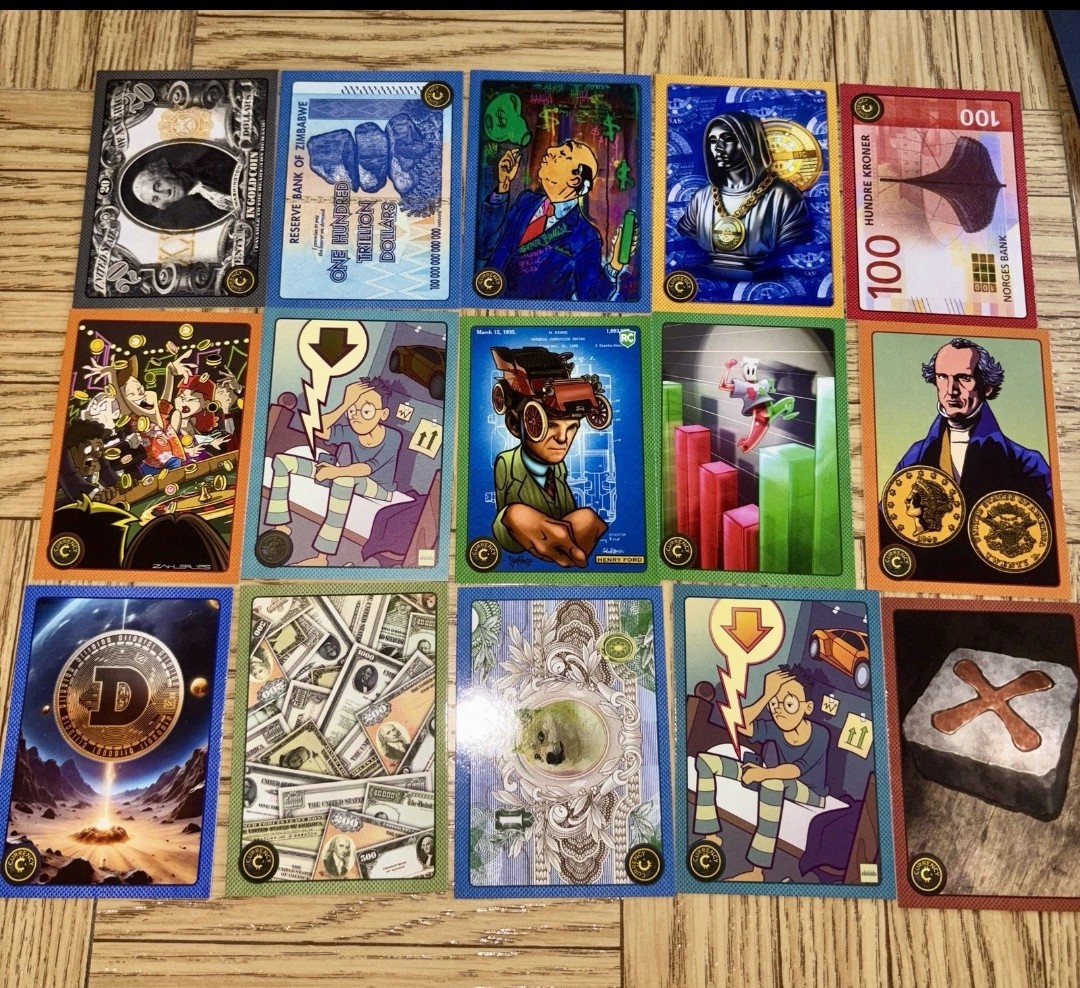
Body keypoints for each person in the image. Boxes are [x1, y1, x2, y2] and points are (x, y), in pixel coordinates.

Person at [881, 337, 1055, 582]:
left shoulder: (1027, 464)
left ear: (987, 387)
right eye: (942, 377)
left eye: (963, 378)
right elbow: (885, 526)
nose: (951, 389)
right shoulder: (916, 456)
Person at [692, 665, 828, 882]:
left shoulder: (820, 734)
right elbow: (740, 724)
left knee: (772, 784)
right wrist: (765, 696)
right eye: (775, 703)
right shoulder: (775, 727)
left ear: (808, 707)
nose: (780, 710)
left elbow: (796, 769)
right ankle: (711, 836)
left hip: (810, 792)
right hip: (774, 776)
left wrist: (762, 774)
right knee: (706, 761)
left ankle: (757, 872)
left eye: (789, 704)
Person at [265, 377, 402, 566]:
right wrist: (344, 403)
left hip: (380, 489)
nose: (357, 416)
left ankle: (322, 557)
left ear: (383, 414)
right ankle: (281, 526)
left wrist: (335, 472)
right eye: (352, 410)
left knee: (343, 480)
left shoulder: (393, 437)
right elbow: (317, 429)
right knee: (282, 461)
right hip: (350, 475)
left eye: (366, 411)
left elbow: (368, 467)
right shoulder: (351, 431)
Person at [491, 349, 608, 567]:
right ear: (515, 425)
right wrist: (513, 516)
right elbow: (504, 521)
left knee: (587, 518)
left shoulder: (558, 469)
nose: (563, 439)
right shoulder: (506, 463)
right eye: (551, 426)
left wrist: (582, 524)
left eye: (572, 428)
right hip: (522, 555)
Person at [477, 139, 632, 301]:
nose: (551, 150)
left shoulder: (586, 237)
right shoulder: (526, 201)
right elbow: (485, 247)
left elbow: (591, 299)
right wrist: (503, 186)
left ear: (574, 180)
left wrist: (615, 266)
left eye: (563, 153)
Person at [677, 111, 812, 277]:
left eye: (727, 139)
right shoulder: (701, 197)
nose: (718, 148)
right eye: (712, 141)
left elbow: (796, 240)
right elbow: (688, 230)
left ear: (750, 142)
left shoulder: (783, 197)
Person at [130, 151, 234, 229]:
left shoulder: (212, 161)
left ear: (164, 173)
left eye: (158, 186)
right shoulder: (198, 217)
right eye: (156, 198)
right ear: (160, 204)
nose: (166, 193)